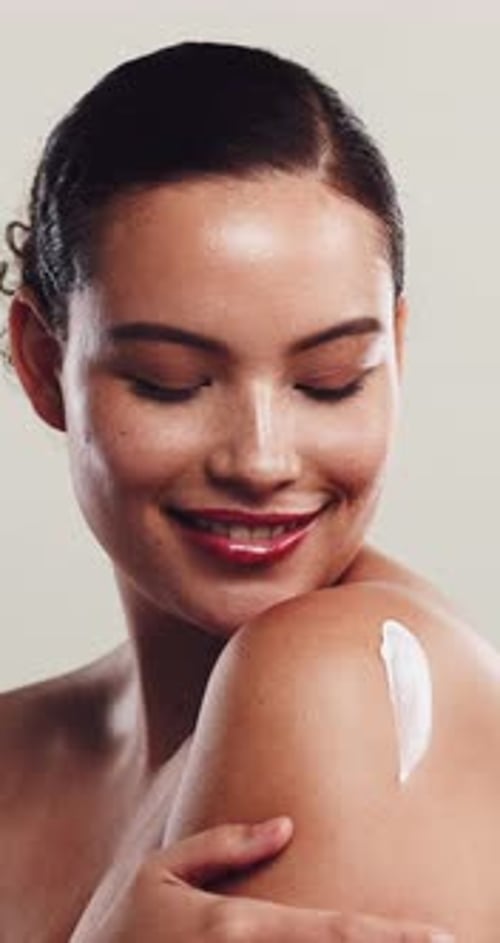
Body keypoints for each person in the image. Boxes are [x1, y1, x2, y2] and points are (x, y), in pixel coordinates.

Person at [3, 39, 496, 942]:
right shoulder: (17, 752)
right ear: (41, 362)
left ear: (394, 352)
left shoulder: (342, 681)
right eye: (170, 382)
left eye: (331, 380)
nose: (261, 460)